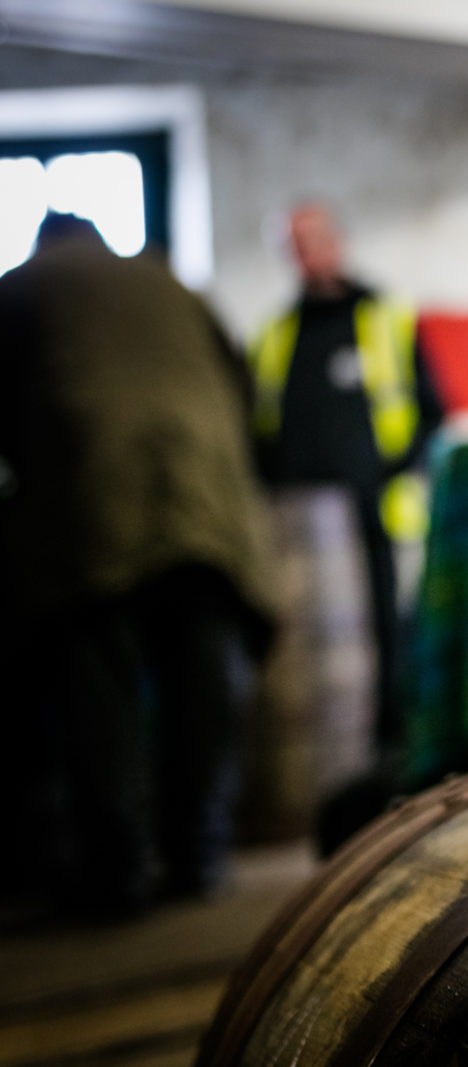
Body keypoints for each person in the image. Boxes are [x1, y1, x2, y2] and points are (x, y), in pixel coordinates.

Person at [0, 212, 277, 915]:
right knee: (201, 676)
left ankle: (117, 870)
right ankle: (197, 853)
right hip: (205, 492)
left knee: (102, 685)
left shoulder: (22, 286)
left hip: (93, 494)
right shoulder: (168, 281)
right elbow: (242, 384)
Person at [248, 200, 445, 757]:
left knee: (388, 639)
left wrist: (391, 473)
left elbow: (431, 412)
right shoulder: (274, 335)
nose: (306, 253)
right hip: (301, 535)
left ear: (337, 241)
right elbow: (259, 431)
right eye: (294, 244)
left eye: (313, 238)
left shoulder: (386, 318)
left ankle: (389, 753)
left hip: (379, 516)